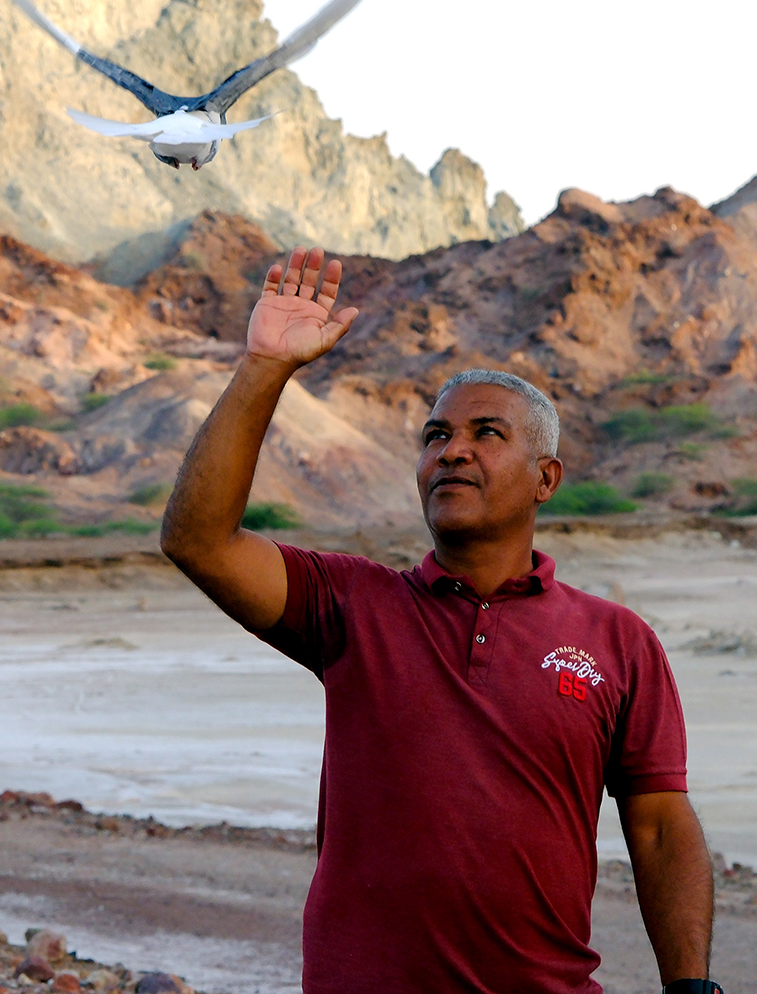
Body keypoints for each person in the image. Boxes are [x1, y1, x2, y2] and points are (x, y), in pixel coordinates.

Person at [161, 247, 718, 994]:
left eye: (487, 433)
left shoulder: (618, 641)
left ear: (546, 478)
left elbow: (658, 826)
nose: (453, 451)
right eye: (435, 436)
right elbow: (197, 540)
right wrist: (265, 367)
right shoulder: (350, 603)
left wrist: (690, 987)